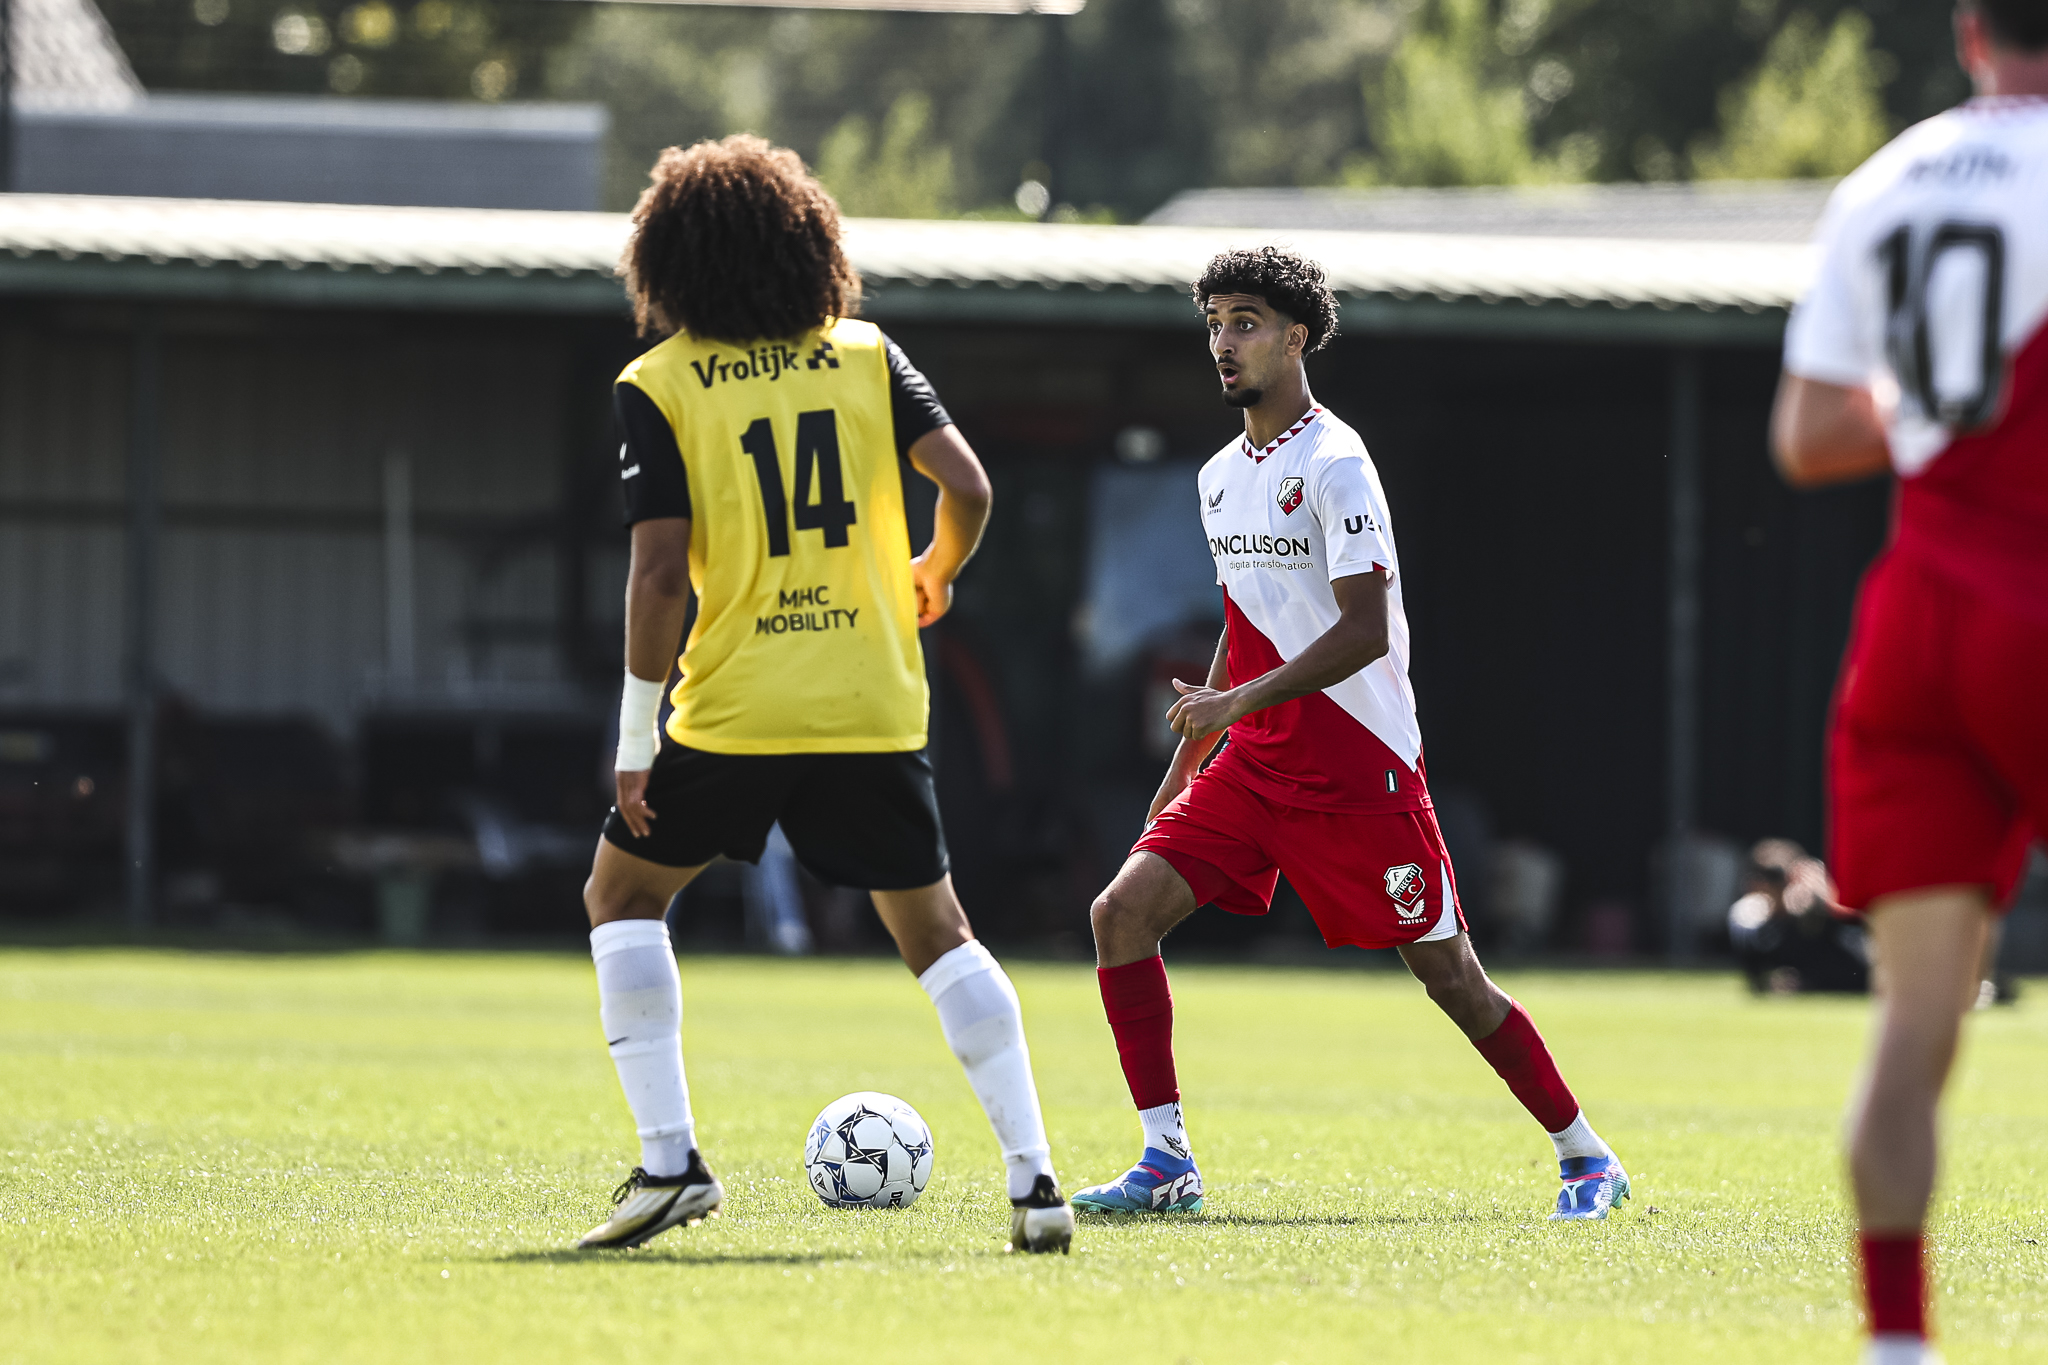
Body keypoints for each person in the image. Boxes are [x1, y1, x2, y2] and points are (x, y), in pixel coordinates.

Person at [574, 134, 1073, 1255]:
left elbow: (659, 575)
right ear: (808, 244)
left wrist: (634, 733)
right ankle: (1036, 1180)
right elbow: (968, 484)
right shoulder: (864, 354)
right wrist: (937, 569)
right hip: (871, 699)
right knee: (939, 934)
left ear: (671, 260)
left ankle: (670, 1164)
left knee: (622, 896)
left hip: (738, 704)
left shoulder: (656, 382)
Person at [1071, 247, 1628, 1222]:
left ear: (1296, 337)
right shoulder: (1217, 477)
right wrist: (1187, 764)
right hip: (1255, 764)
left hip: (1359, 769)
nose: (1223, 342)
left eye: (1245, 322)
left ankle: (1586, 1156)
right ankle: (1165, 1160)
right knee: (1119, 914)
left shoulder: (1336, 463)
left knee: (1451, 978)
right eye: (1213, 322)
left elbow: (1363, 630)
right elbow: (1242, 624)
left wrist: (1233, 707)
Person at [1770, 3, 2048, 1358]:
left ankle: (1897, 1343)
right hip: (2035, 592)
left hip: (1915, 616)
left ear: (1967, 30)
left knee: (1912, 1025)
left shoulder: (1884, 180)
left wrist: (1934, 414)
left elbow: (1809, 433)